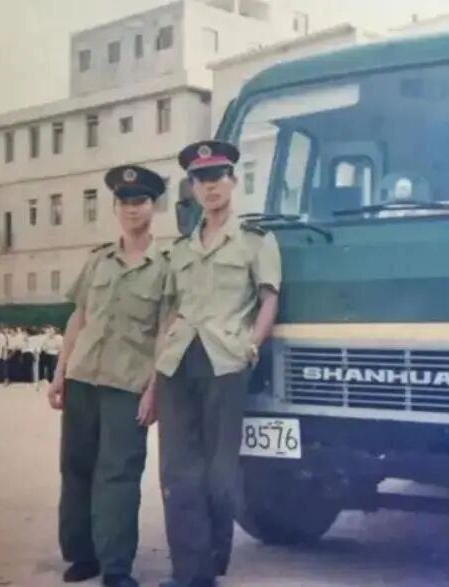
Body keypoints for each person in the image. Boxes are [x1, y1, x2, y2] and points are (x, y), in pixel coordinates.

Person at [155, 141, 282, 587]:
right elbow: (170, 309)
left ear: (232, 181)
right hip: (177, 361)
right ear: (192, 188)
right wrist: (157, 364)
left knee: (219, 471)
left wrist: (250, 346)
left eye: (217, 178)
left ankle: (209, 564)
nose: (210, 187)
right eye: (201, 180)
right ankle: (187, 571)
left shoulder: (255, 241)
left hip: (225, 360)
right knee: (177, 470)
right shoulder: (181, 249)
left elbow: (269, 299)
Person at [47, 164, 168, 587]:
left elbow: (166, 332)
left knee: (118, 475)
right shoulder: (98, 260)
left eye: (141, 201)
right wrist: (60, 372)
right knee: (76, 468)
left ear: (154, 206)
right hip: (83, 378)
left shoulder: (166, 265)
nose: (132, 209)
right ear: (115, 207)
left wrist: (154, 389)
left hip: (126, 385)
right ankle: (83, 555)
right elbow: (78, 317)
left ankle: (116, 567)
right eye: (124, 202)